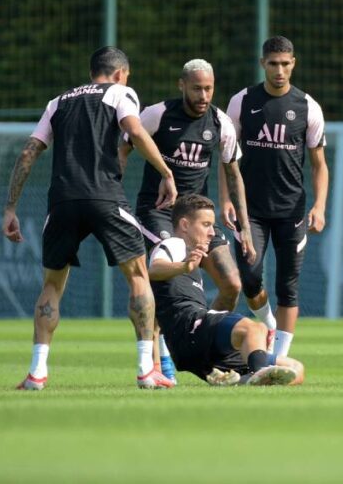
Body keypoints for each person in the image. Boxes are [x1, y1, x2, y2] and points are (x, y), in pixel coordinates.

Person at [2, 46, 178, 390]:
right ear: (119, 73)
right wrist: (166, 172)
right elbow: (136, 132)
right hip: (105, 197)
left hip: (62, 201)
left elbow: (29, 151)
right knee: (139, 276)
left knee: (52, 285)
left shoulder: (59, 101)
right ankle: (146, 369)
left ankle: (37, 373)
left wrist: (10, 207)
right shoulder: (120, 93)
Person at [119, 59, 256, 382]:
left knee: (232, 284)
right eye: (197, 88)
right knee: (158, 285)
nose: (203, 94)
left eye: (208, 88)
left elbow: (233, 172)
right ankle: (156, 364)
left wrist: (245, 227)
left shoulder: (220, 123)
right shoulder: (158, 115)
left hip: (198, 219)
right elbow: (124, 147)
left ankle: (207, 350)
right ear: (182, 85)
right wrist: (113, 191)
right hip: (157, 214)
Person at [225, 36, 329, 358]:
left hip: (291, 211)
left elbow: (319, 165)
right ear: (263, 64)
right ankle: (267, 321)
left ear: (293, 63)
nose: (280, 70)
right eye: (273, 64)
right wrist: (226, 199)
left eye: (285, 64)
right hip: (250, 211)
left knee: (288, 284)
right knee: (250, 277)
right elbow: (227, 158)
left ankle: (280, 358)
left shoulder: (308, 106)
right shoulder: (241, 102)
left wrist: (320, 206)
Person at [149, 194, 304, 386]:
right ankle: (260, 372)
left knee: (295, 369)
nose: (212, 233)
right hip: (188, 329)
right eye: (206, 224)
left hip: (199, 348)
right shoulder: (174, 244)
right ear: (184, 225)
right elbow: (154, 269)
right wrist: (184, 267)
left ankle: (242, 381)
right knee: (255, 328)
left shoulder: (193, 254)